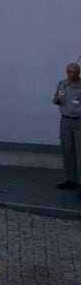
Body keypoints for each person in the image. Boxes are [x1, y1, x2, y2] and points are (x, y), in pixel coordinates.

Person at [53, 62, 81, 190]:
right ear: (66, 72)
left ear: (79, 73)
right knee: (67, 151)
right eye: (70, 72)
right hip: (65, 121)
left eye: (75, 72)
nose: (72, 74)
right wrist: (56, 100)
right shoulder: (62, 84)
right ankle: (71, 180)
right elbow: (56, 98)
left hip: (79, 121)